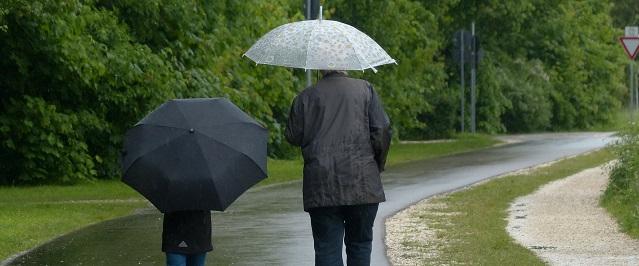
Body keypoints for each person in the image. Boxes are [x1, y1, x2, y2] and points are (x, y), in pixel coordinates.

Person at [285, 70, 391, 266]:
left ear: (320, 68)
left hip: (321, 185)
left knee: (326, 248)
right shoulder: (366, 90)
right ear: (346, 65)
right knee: (359, 244)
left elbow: (293, 135)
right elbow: (382, 131)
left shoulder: (306, 97)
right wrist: (378, 164)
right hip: (363, 183)